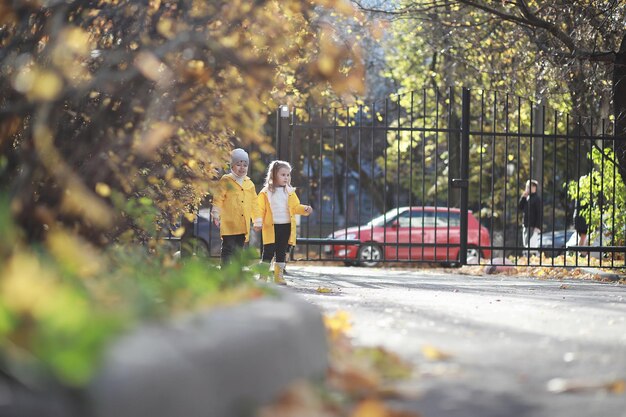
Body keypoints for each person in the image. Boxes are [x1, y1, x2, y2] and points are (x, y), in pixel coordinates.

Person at [258, 160, 312, 285]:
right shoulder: (266, 192)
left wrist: (304, 209)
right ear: (274, 175)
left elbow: (295, 207)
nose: (286, 177)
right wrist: (258, 221)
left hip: (286, 226)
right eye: (283, 174)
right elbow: (259, 209)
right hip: (270, 227)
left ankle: (278, 276)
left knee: (282, 251)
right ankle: (263, 276)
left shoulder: (289, 192)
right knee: (268, 251)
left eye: (288, 175)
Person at [211, 148, 262, 266]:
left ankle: (236, 274)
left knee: (239, 250)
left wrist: (257, 220)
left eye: (245, 165)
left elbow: (254, 203)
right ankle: (225, 272)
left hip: (243, 224)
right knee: (228, 248)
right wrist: (216, 214)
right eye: (238, 164)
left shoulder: (249, 184)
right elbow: (218, 198)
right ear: (232, 166)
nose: (242, 167)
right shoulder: (226, 180)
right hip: (229, 222)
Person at [518, 179, 542, 257]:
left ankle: (532, 259)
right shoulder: (527, 198)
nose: (527, 188)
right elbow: (520, 207)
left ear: (534, 188)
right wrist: (523, 197)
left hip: (532, 226)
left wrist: (537, 226)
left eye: (529, 187)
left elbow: (539, 214)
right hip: (525, 225)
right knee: (526, 245)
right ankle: (527, 259)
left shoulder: (537, 199)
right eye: (527, 187)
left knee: (531, 246)